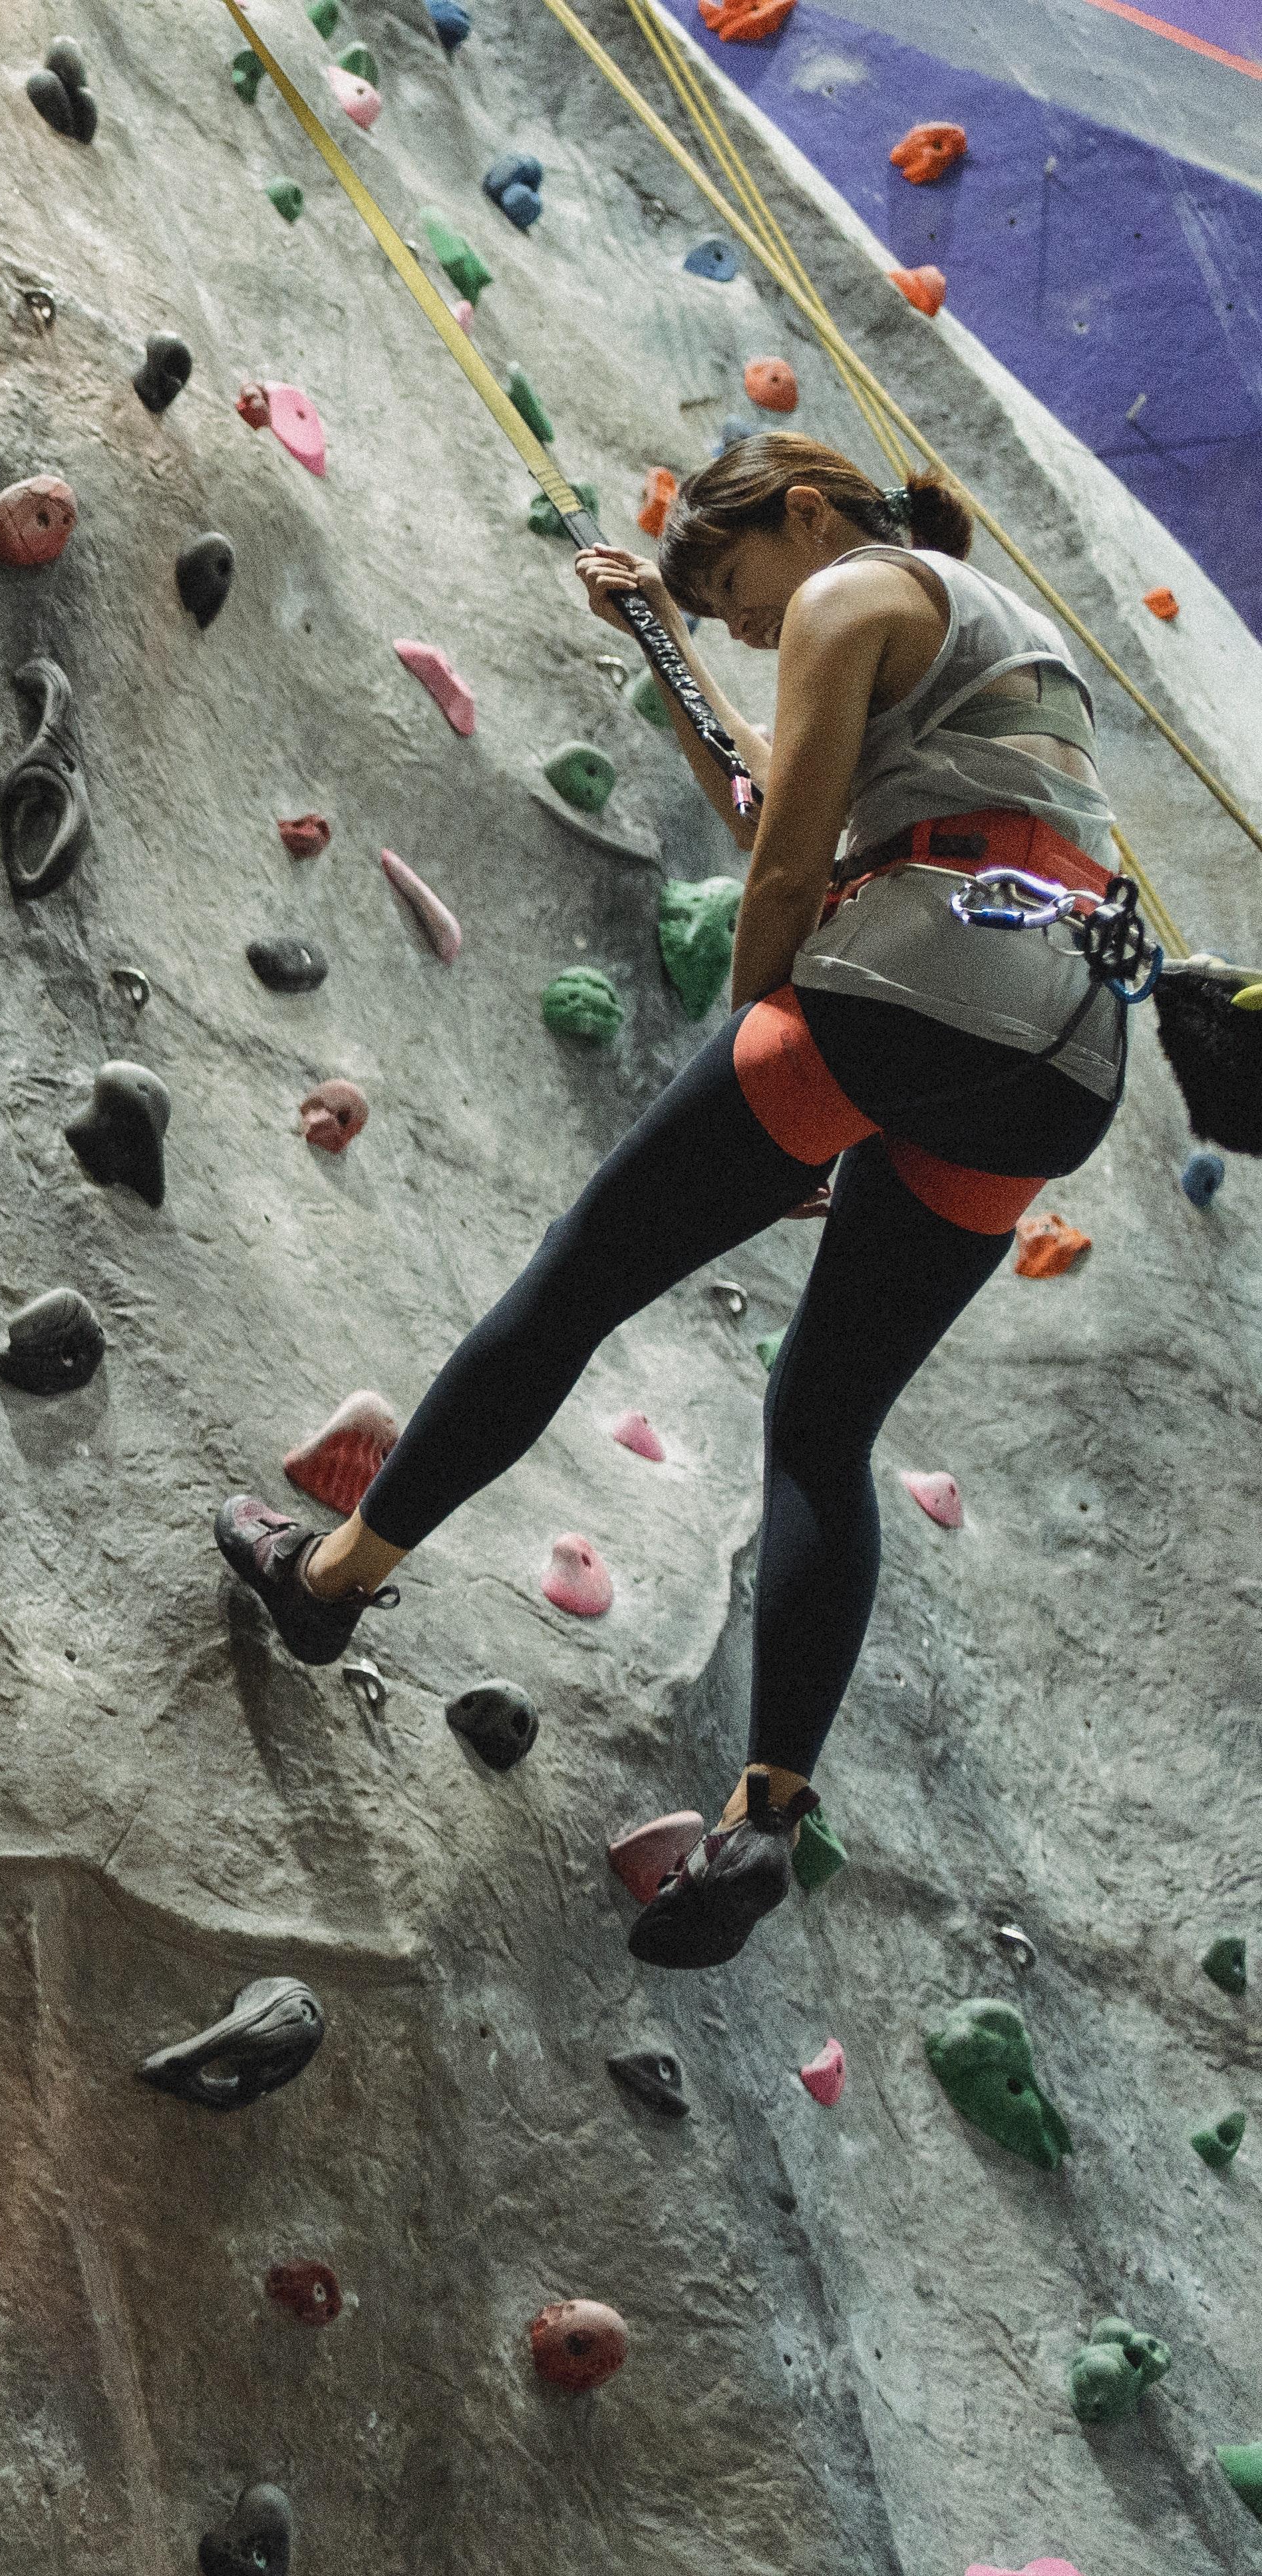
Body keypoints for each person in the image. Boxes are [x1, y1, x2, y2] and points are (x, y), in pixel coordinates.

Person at [211, 433, 1136, 1972]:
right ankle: (762, 1811)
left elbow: (786, 875)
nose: (757, 632)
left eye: (743, 599)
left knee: (578, 1283)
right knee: (826, 1424)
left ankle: (332, 1577)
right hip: (1061, 1055)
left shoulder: (853, 587)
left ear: (807, 513)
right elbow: (817, 810)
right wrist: (657, 629)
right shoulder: (998, 639)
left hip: (912, 985)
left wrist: (777, 1082)